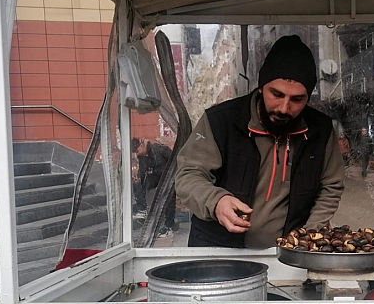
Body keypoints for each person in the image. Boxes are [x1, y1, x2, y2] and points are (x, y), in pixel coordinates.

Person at [175, 35, 346, 248]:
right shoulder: (220, 121)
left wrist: (308, 237)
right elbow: (188, 176)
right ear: (262, 86)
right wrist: (216, 201)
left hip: (290, 257)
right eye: (277, 94)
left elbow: (331, 186)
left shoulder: (320, 130)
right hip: (218, 251)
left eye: (297, 99)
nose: (284, 108)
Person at [132, 138, 177, 236]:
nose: (137, 154)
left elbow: (174, 163)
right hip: (156, 177)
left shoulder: (159, 149)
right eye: (135, 152)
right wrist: (139, 179)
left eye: (137, 151)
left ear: (142, 146)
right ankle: (142, 208)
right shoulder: (142, 156)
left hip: (169, 176)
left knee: (168, 198)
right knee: (138, 183)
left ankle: (169, 226)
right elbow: (144, 170)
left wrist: (155, 171)